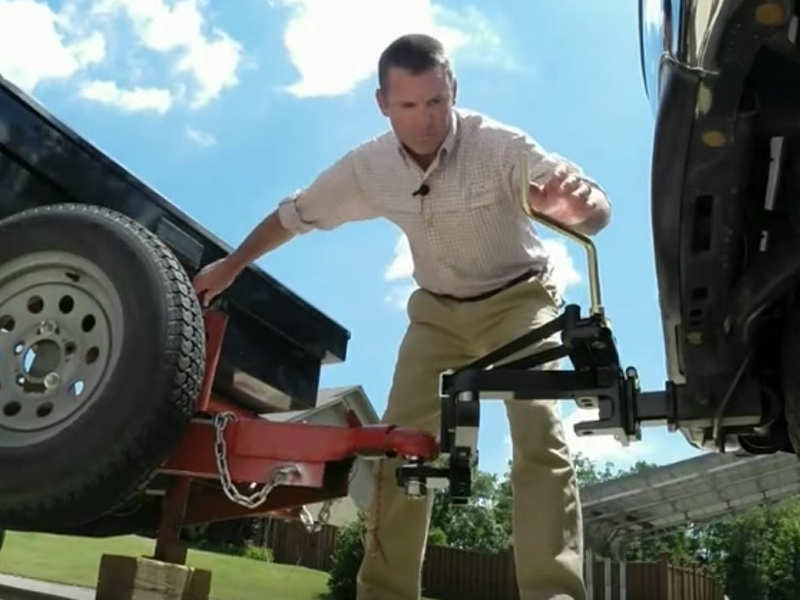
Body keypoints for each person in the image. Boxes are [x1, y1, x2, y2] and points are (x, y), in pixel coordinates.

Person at [192, 33, 610, 600]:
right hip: (437, 315)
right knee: (398, 445)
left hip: (519, 301)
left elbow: (593, 209)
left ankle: (552, 590)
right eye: (409, 105)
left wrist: (578, 208)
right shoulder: (368, 167)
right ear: (383, 104)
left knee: (538, 430)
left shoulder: (499, 145)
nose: (426, 119)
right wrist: (234, 264)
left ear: (453, 89)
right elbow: (296, 214)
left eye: (437, 101)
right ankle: (384, 592)